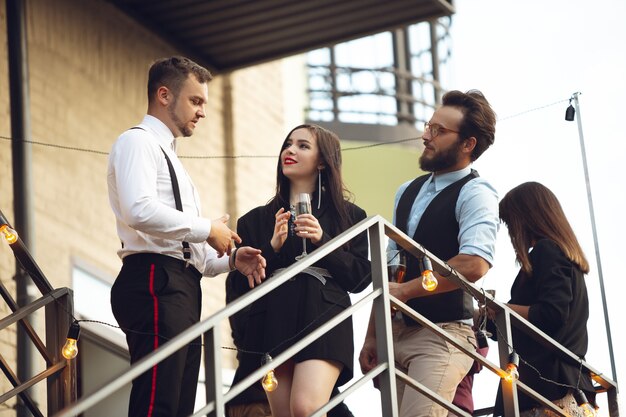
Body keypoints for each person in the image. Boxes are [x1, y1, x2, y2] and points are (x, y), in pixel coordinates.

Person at [107, 56, 266, 417]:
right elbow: (139, 210)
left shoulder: (170, 156)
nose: (203, 112)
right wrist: (207, 228)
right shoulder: (138, 142)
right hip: (153, 279)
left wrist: (229, 260)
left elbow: (188, 252)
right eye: (196, 101)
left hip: (179, 285)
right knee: (157, 401)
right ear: (164, 95)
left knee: (177, 404)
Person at [359, 89, 499, 417]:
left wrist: (407, 292)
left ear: (468, 144)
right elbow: (391, 266)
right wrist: (373, 333)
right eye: (428, 126)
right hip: (396, 331)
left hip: (444, 334)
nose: (425, 136)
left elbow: (475, 264)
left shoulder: (476, 192)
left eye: (438, 131)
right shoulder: (406, 191)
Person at [227, 124, 371, 417]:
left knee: (305, 408)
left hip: (323, 316)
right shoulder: (255, 220)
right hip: (273, 320)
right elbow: (239, 288)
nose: (290, 150)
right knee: (284, 415)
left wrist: (324, 241)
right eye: (288, 144)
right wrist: (272, 250)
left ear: (322, 161)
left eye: (303, 146)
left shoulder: (351, 216)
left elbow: (360, 278)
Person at [490, 181, 597, 417]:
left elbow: (551, 314)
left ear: (526, 218)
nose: (512, 232)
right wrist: (492, 317)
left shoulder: (548, 250)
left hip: (548, 391)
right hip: (565, 389)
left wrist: (502, 309)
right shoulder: (565, 256)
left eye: (511, 223)